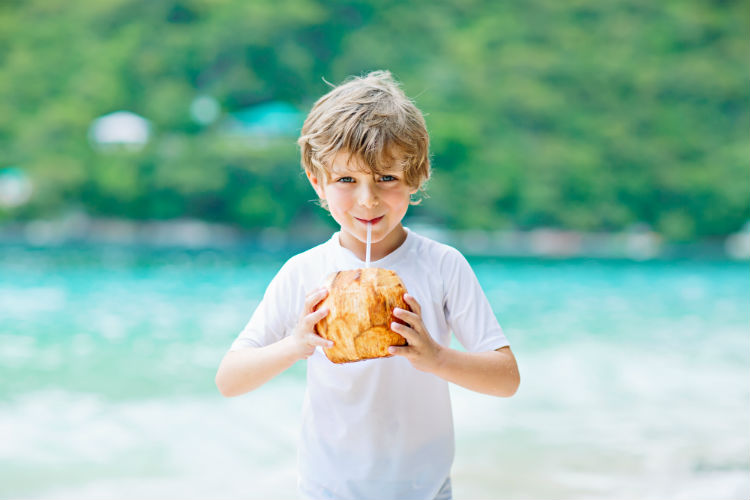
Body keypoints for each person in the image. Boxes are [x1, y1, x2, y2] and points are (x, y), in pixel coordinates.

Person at [215, 70, 520, 500]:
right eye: (346, 180)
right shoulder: (304, 271)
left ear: (416, 177)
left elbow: (506, 379)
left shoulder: (442, 265)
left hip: (426, 491)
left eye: (387, 178)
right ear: (316, 179)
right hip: (327, 491)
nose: (367, 199)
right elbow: (230, 379)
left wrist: (435, 357)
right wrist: (297, 344)